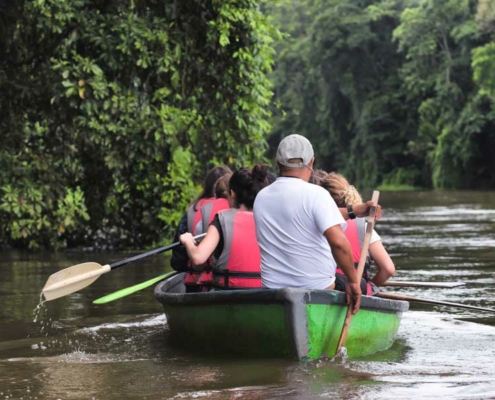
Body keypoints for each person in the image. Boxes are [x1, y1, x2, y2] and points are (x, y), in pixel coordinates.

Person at [253, 134, 380, 314]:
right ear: (311, 162)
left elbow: (304, 214)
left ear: (277, 163)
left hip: (273, 291)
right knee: (361, 285)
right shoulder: (316, 195)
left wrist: (354, 211)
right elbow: (338, 243)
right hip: (319, 289)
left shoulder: (261, 197)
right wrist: (352, 281)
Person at [180, 164, 271, 290]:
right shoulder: (270, 220)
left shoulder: (222, 219)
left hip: (228, 295)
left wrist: (188, 241)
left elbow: (198, 258)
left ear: (232, 193)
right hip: (264, 293)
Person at [320, 172, 395, 294]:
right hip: (356, 292)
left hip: (326, 289)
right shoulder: (364, 227)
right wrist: (368, 288)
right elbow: (388, 269)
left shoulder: (318, 225)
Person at [170, 165, 231, 292]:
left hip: (197, 284)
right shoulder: (239, 210)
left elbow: (177, 261)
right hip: (229, 282)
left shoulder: (192, 211)